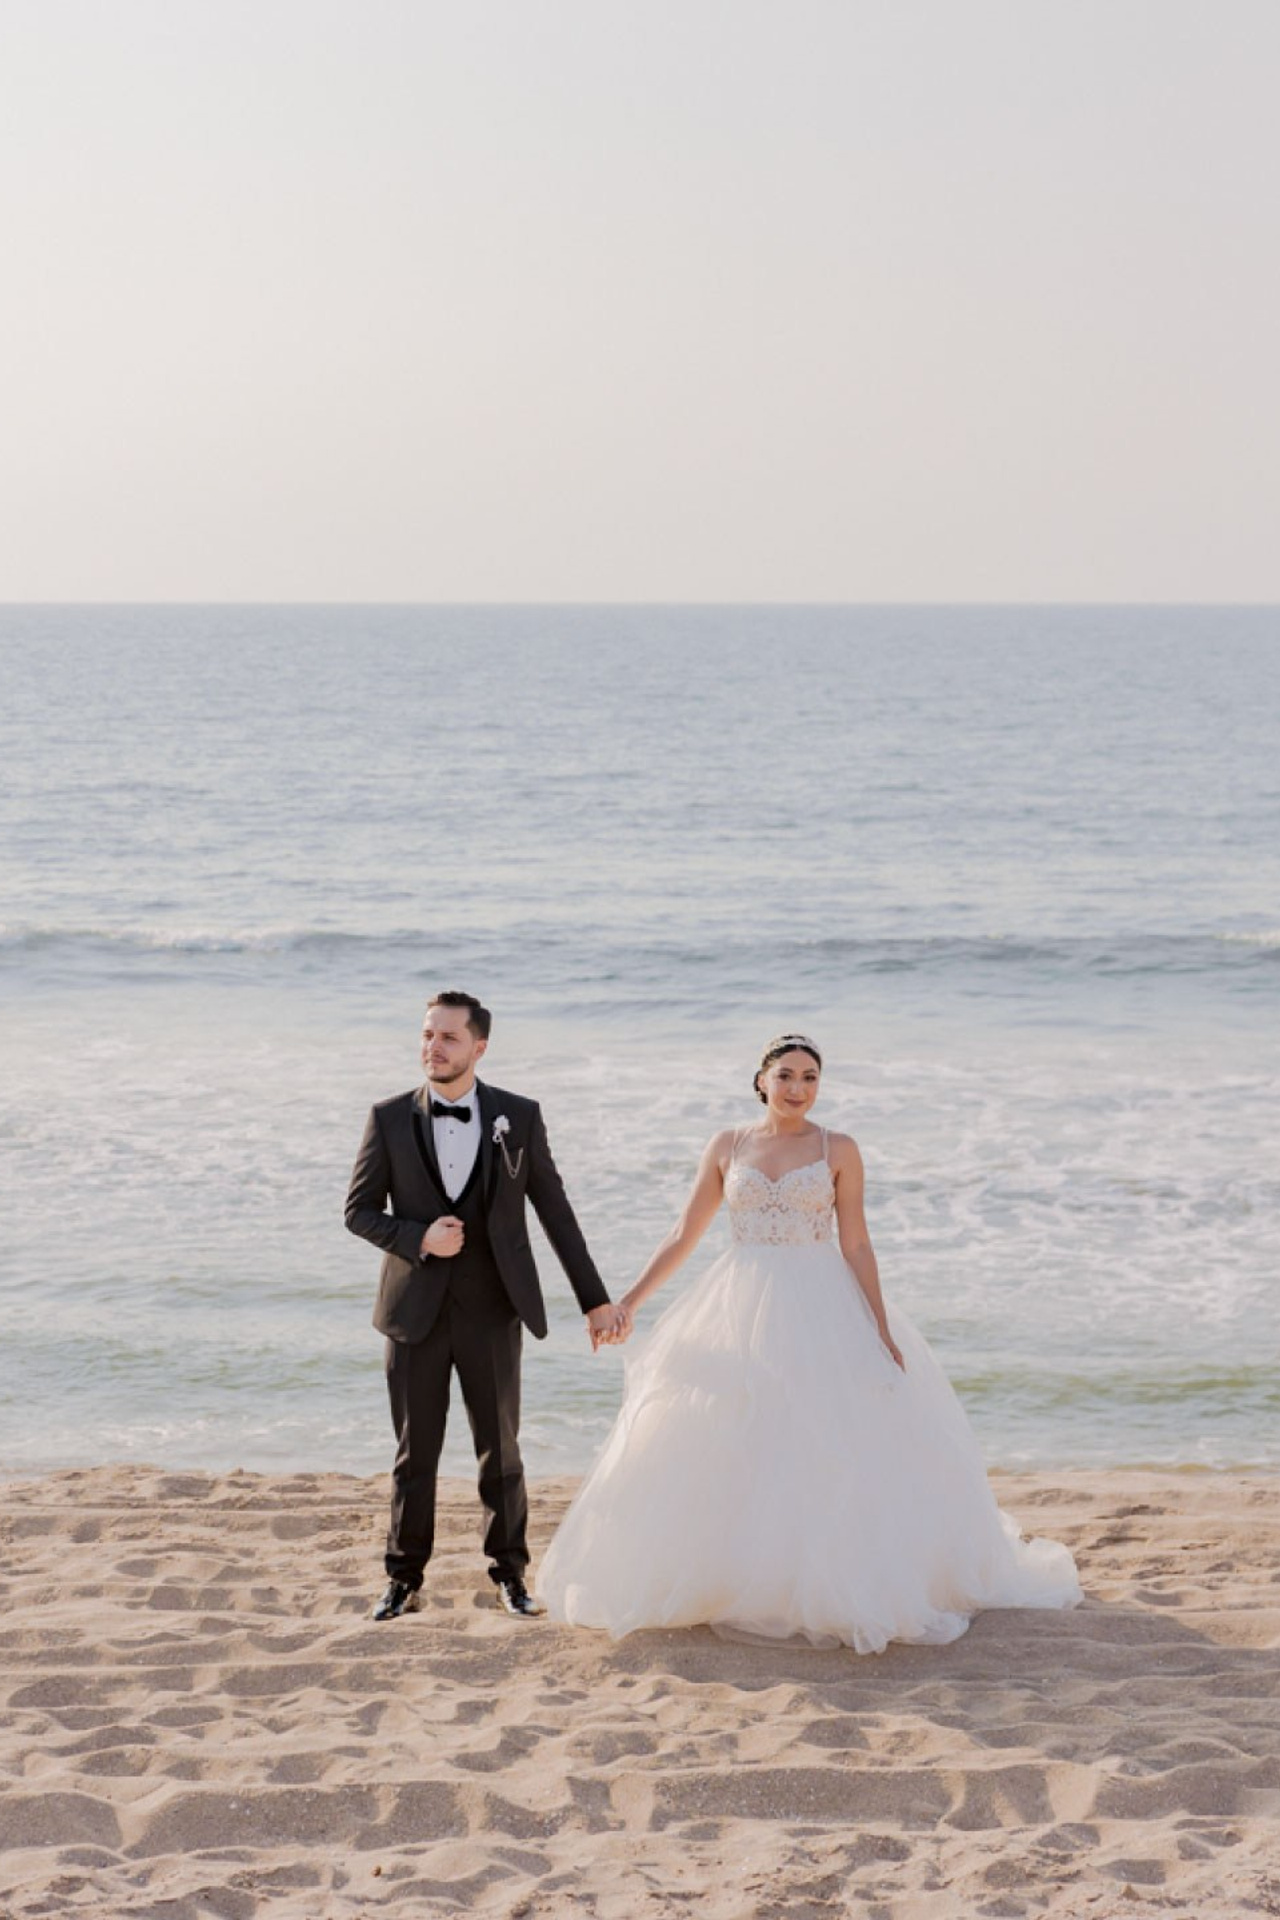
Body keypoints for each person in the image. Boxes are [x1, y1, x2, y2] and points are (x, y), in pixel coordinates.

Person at [536, 1034, 1081, 1649]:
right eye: (786, 1075)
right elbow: (685, 1232)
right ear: (761, 1080)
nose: (798, 1088)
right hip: (738, 1298)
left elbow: (856, 1243)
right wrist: (628, 1304)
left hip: (822, 1302)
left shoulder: (837, 1148)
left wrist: (878, 1326)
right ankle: (738, 1574)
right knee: (733, 1436)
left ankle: (822, 1580)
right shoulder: (727, 1145)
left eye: (810, 1077)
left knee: (824, 1441)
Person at [345, 990, 627, 1621]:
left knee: (500, 1450)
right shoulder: (387, 1117)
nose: (433, 1047)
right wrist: (418, 1237)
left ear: (479, 1047)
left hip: (493, 1308)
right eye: (427, 1034)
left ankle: (510, 1574)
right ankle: (403, 1579)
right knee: (414, 1454)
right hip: (413, 1314)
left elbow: (555, 1212)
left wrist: (595, 1301)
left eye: (448, 1037)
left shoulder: (517, 1117)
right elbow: (358, 1212)